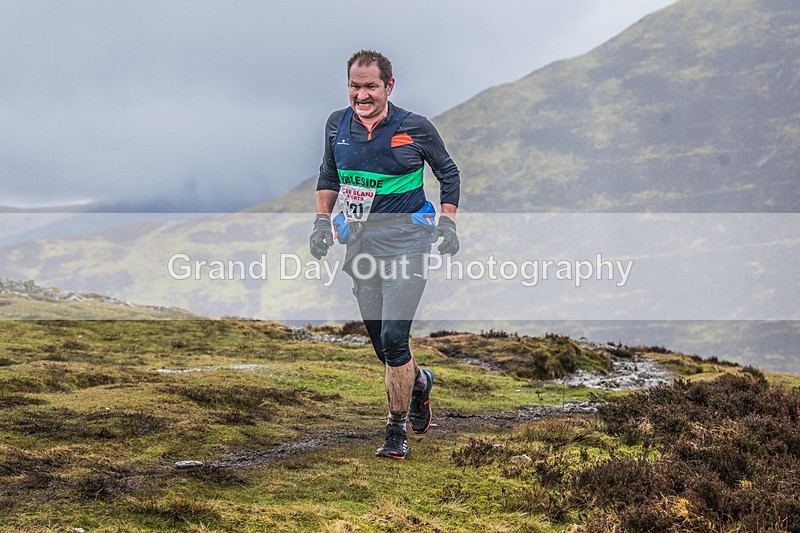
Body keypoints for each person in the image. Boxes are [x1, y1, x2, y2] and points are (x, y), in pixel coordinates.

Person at [309, 50, 461, 459]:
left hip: (408, 242)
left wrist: (447, 222)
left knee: (395, 337)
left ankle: (395, 432)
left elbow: (448, 172)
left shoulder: (414, 126)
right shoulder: (336, 125)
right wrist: (322, 223)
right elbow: (328, 175)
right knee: (382, 344)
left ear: (388, 86)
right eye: (355, 87)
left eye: (371, 86)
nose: (362, 95)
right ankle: (420, 383)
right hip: (360, 245)